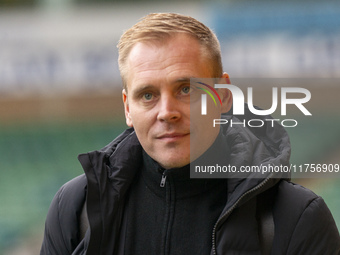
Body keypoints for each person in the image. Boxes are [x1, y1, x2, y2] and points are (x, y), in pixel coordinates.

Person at [40, 13, 340, 255]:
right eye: (147, 95)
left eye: (186, 89)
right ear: (127, 108)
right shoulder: (75, 207)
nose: (166, 111)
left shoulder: (297, 218)